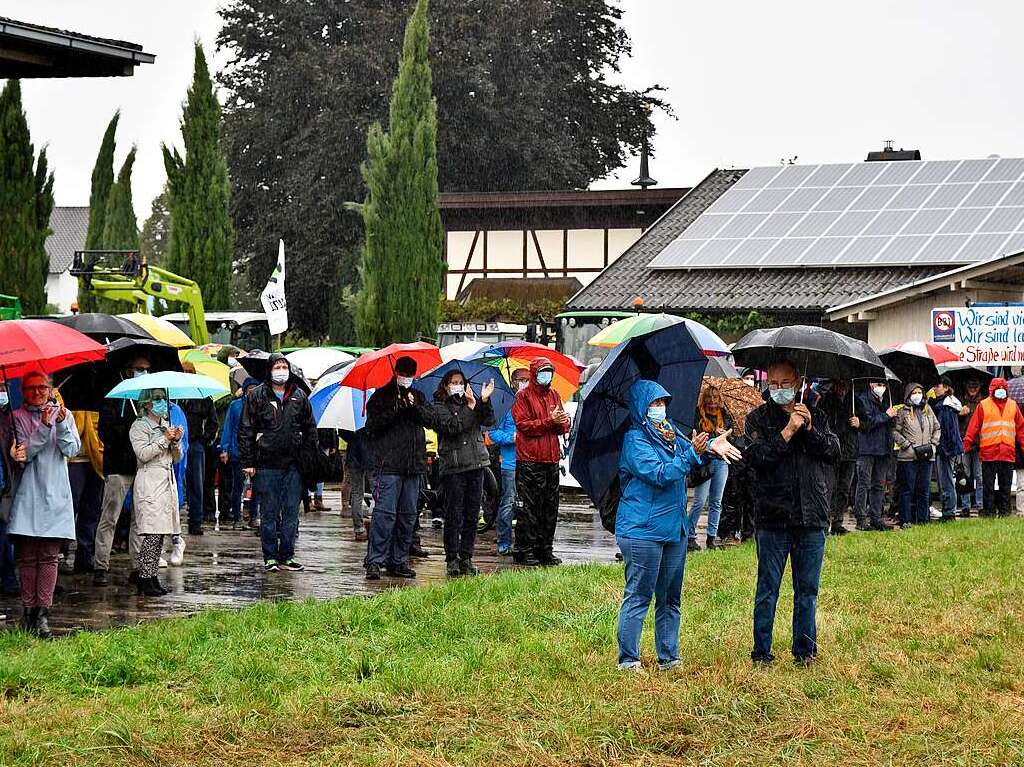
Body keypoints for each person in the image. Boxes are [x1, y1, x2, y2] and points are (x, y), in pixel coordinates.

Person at [615, 380, 741, 671]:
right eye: (653, 404)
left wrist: (711, 445)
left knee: (671, 597)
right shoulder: (635, 440)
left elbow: (692, 447)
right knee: (639, 594)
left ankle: (669, 657)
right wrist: (690, 455)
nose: (660, 408)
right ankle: (629, 659)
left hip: (674, 527)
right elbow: (660, 473)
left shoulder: (668, 431)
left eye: (662, 403)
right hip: (642, 530)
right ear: (640, 408)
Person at [745, 360, 840, 666]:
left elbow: (833, 453)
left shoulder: (818, 414)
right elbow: (757, 458)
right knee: (767, 588)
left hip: (811, 515)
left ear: (798, 382)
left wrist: (809, 429)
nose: (780, 390)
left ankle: (805, 651)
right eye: (773, 384)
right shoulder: (757, 419)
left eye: (786, 383)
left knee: (807, 590)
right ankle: (761, 653)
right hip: (773, 517)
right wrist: (787, 431)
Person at [7, 372, 81, 638]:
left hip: (56, 494)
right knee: (27, 557)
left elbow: (72, 450)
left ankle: (42, 614)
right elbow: (24, 453)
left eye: (42, 387)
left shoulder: (66, 415)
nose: (37, 392)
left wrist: (59, 426)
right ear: (23, 391)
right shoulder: (16, 418)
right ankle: (27, 611)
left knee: (49, 557)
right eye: (31, 388)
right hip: (28, 494)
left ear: (51, 389)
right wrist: (45, 426)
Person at [239, 353, 317, 572]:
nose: (281, 370)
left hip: (294, 464)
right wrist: (248, 461)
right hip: (266, 464)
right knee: (269, 512)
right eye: (277, 366)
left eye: (284, 366)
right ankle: (270, 556)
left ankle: (288, 555)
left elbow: (310, 428)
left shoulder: (300, 396)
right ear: (270, 370)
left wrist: (308, 457)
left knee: (291, 511)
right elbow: (246, 429)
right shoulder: (256, 396)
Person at [362, 356, 436, 580]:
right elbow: (372, 427)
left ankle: (399, 560)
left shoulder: (419, 396)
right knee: (384, 515)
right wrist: (395, 409)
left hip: (413, 466)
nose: (407, 378)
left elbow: (430, 419)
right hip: (389, 465)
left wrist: (413, 407)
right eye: (403, 374)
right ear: (396, 373)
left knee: (407, 515)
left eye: (410, 375)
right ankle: (375, 560)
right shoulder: (381, 396)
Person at [432, 370, 496, 577]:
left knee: (471, 515)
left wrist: (483, 400)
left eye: (461, 382)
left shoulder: (471, 401)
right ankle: (452, 558)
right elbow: (452, 428)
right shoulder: (440, 406)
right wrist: (470, 408)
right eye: (454, 382)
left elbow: (489, 420)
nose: (458, 385)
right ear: (446, 385)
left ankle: (466, 557)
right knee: (454, 514)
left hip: (476, 464)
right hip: (454, 467)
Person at [93, 354, 150, 586]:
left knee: (139, 520)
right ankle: (101, 565)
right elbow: (106, 433)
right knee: (110, 517)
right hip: (118, 467)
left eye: (147, 369)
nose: (143, 372)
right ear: (128, 370)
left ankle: (137, 566)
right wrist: (130, 427)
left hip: (142, 467)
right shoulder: (115, 398)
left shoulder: (148, 400)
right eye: (139, 368)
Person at [512, 358, 570, 566]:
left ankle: (545, 548)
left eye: (549, 372)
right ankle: (524, 548)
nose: (547, 376)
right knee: (529, 507)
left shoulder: (554, 395)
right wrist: (549, 422)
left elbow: (561, 424)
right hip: (530, 460)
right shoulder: (523, 396)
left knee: (549, 506)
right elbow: (524, 425)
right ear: (535, 374)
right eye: (543, 372)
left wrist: (563, 422)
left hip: (551, 458)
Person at [129, 389, 183, 597]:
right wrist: (163, 440)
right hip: (149, 482)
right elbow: (143, 454)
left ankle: (152, 576)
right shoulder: (139, 426)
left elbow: (176, 458)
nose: (162, 403)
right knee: (151, 532)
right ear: (147, 404)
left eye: (163, 398)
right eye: (157, 399)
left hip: (166, 482)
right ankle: (144, 576)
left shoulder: (166, 425)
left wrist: (175, 441)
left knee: (161, 532)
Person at [962, 377, 1024, 517]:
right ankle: (989, 511)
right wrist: (967, 444)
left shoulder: (1013, 406)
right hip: (989, 453)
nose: (1001, 391)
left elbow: (1021, 429)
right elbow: (973, 427)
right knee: (988, 486)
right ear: (992, 390)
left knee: (1005, 486)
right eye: (998, 389)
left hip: (1007, 453)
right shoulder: (983, 405)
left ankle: (1004, 511)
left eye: (1003, 388)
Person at [487, 368, 531, 555]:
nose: (525, 382)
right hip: (510, 463)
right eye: (521, 379)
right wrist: (511, 437)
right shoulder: (505, 404)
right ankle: (504, 541)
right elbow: (493, 432)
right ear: (513, 381)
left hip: (530, 461)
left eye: (528, 379)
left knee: (527, 504)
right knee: (508, 502)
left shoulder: (531, 403)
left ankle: (526, 542)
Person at [686, 385, 734, 551]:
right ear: (704, 398)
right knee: (699, 501)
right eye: (709, 397)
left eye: (715, 397)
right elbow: (693, 438)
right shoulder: (697, 414)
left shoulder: (725, 415)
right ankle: (689, 535)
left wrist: (724, 434)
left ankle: (711, 538)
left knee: (716, 502)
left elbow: (731, 439)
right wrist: (711, 440)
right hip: (704, 463)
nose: (712, 401)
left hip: (721, 462)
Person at [852, 378, 898, 532]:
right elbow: (867, 423)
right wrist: (886, 415)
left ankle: (876, 517)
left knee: (879, 484)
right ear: (871, 384)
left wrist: (892, 417)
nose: (882, 387)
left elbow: (889, 424)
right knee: (864, 483)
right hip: (867, 447)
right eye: (879, 385)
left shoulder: (886, 400)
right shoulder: (862, 399)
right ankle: (861, 518)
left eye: (884, 385)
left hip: (883, 448)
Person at [893, 382, 940, 528]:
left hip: (927, 455)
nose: (917, 396)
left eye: (920, 392)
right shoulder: (902, 411)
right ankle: (906, 520)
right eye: (914, 393)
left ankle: (923, 519)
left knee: (924, 489)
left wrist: (933, 444)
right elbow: (895, 431)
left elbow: (937, 428)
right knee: (907, 490)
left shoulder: (928, 409)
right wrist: (906, 444)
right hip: (908, 457)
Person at [179, 362, 218, 536]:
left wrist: (203, 440)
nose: (186, 374)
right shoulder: (174, 396)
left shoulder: (203, 398)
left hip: (195, 445)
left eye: (189, 372)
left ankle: (196, 521)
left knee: (197, 484)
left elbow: (213, 423)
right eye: (183, 372)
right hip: (176, 443)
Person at [816, 380, 857, 535]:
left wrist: (860, 422)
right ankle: (825, 521)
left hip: (849, 450)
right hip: (831, 450)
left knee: (844, 488)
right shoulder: (826, 401)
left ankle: (838, 521)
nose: (842, 388)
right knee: (829, 487)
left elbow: (867, 421)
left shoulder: (854, 400)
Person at [219, 377, 258, 530]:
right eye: (250, 388)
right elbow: (228, 426)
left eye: (255, 388)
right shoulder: (235, 406)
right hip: (237, 452)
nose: (252, 391)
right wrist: (225, 448)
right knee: (238, 486)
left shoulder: (260, 405)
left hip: (256, 453)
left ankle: (254, 516)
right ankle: (237, 518)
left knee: (257, 487)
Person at [68, 409, 104, 572]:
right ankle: (59, 551)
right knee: (71, 507)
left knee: (92, 510)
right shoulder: (65, 397)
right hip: (74, 460)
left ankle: (85, 555)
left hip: (97, 459)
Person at [931, 376, 964, 522]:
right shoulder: (945, 404)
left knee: (946, 480)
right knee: (945, 480)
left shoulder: (945, 406)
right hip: (946, 448)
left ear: (945, 387)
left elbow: (947, 430)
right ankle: (948, 509)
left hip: (945, 448)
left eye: (938, 385)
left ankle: (949, 512)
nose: (935, 388)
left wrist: (944, 449)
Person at [957, 377, 986, 515]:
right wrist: (959, 413)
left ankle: (980, 505)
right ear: (965, 386)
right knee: (964, 475)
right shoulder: (959, 401)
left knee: (980, 476)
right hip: (964, 443)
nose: (973, 388)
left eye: (975, 385)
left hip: (980, 444)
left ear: (980, 386)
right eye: (970, 385)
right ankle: (965, 506)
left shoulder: (985, 402)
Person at [0, 381, 18, 595]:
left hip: (4, 486)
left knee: (4, 534)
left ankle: (9, 579)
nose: (2, 392)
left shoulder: (7, 418)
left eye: (4, 387)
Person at [341, 427, 374, 542]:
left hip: (354, 455)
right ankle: (377, 526)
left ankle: (359, 529)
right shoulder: (372, 413)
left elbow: (342, 432)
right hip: (371, 455)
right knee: (377, 492)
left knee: (357, 493)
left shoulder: (349, 414)